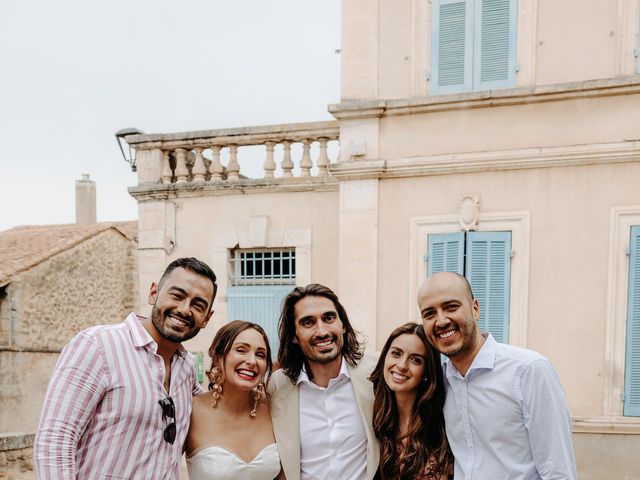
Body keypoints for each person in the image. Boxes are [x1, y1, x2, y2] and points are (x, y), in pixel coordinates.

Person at [34, 257, 217, 479]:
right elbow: (55, 440)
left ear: (207, 318)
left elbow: (221, 408)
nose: (184, 309)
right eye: (177, 295)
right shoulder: (99, 345)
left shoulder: (187, 369)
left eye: (198, 305)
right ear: (153, 293)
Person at [417, 271, 577, 480]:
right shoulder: (440, 382)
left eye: (451, 307)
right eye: (429, 314)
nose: (441, 321)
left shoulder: (529, 370)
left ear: (475, 309)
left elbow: (558, 471)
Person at [267, 283, 380, 480]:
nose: (322, 331)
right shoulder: (277, 386)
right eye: (308, 322)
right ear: (294, 336)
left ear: (342, 325)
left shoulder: (374, 373)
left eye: (329, 318)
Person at [186, 320, 284, 479]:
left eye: (260, 354)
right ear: (218, 357)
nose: (252, 361)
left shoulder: (275, 409)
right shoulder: (191, 410)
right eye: (241, 350)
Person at [369, 322, 452, 480]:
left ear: (427, 372)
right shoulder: (374, 419)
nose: (401, 365)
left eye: (415, 360)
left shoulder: (439, 429)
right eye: (396, 353)